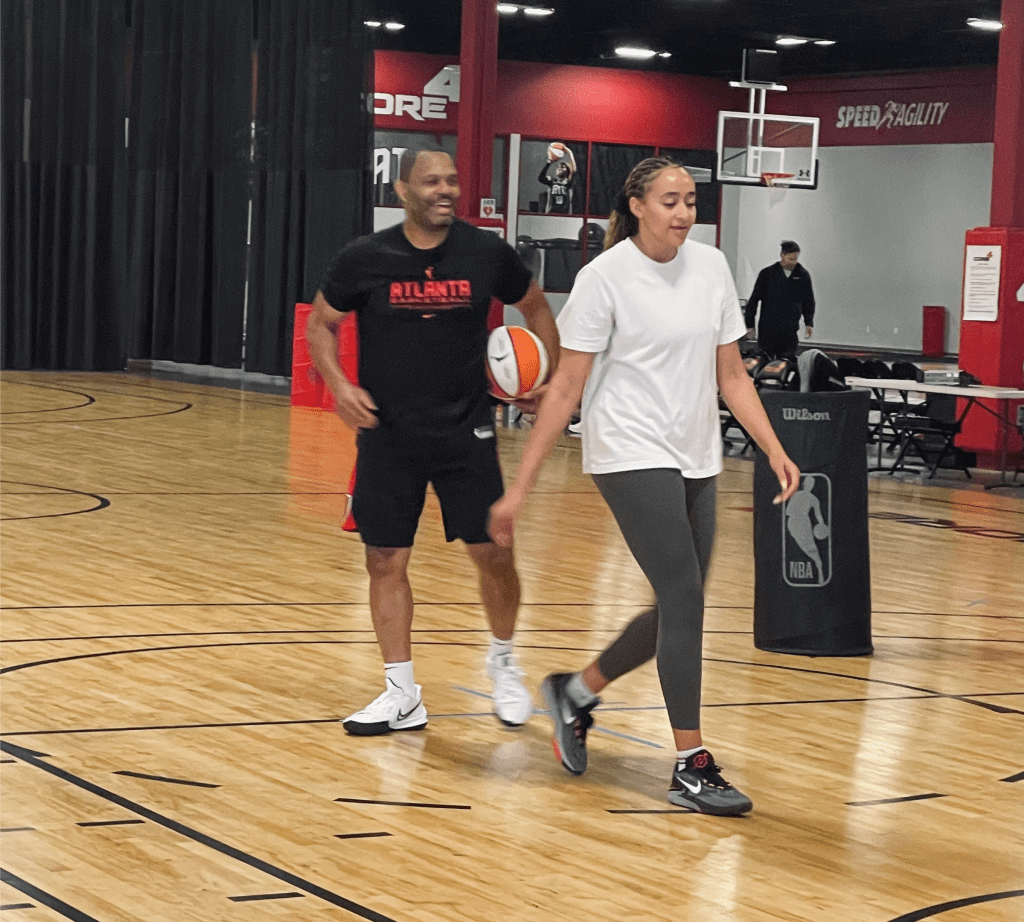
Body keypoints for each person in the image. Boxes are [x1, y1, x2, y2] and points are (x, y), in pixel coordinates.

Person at [488, 156, 800, 816]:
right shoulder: (605, 279)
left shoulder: (711, 266)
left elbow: (734, 377)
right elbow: (568, 387)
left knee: (675, 609)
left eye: (690, 200)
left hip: (697, 451)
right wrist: (521, 486)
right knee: (684, 594)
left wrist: (773, 447)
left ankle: (575, 691)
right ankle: (691, 763)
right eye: (670, 200)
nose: (684, 212)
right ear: (637, 205)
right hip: (626, 447)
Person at [307, 147, 559, 737]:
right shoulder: (366, 258)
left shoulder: (486, 253)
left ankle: (502, 663)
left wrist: (542, 378)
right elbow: (321, 323)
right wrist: (339, 385)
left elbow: (537, 307)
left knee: (494, 554)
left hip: (465, 431)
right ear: (402, 191)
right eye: (431, 181)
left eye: (452, 179)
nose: (445, 189)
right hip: (387, 435)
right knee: (384, 559)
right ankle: (402, 693)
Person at [744, 240, 816, 359]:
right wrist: (750, 325)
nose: (793, 262)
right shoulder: (767, 274)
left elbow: (808, 301)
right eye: (790, 259)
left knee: (786, 362)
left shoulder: (802, 275)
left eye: (795, 258)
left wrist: (809, 322)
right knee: (765, 361)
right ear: (782, 255)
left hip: (789, 331)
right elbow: (754, 300)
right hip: (768, 330)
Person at [538, 143, 577, 214]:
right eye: (558, 167)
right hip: (551, 213)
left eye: (562, 167)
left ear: (567, 171)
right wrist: (549, 162)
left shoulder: (568, 183)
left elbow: (574, 170)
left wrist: (569, 152)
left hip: (564, 214)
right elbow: (541, 178)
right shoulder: (552, 181)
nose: (559, 168)